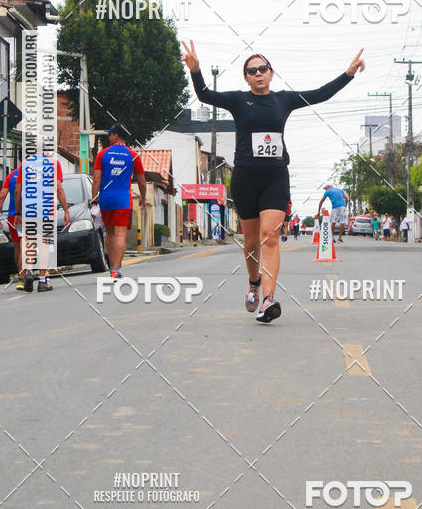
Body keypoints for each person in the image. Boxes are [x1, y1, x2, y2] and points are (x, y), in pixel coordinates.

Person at [182, 40, 365, 323]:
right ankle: (254, 281)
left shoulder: (284, 100)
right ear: (246, 77)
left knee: (270, 236)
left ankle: (269, 299)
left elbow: (320, 94)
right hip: (245, 177)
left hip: (276, 176)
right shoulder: (238, 100)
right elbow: (205, 94)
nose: (258, 73)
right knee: (251, 242)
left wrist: (348, 74)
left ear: (271, 72)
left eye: (263, 69)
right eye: (252, 70)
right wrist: (195, 70)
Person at [92, 123, 147, 281]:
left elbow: (96, 179)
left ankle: (112, 267)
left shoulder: (102, 154)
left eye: (110, 134)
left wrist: (94, 200)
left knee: (109, 233)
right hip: (123, 200)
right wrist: (143, 198)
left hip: (106, 199)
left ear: (116, 135)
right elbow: (142, 182)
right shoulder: (133, 155)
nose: (109, 136)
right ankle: (116, 269)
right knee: (120, 234)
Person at [14, 152, 70, 292]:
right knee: (44, 244)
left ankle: (26, 273)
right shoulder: (53, 163)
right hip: (46, 210)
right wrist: (66, 210)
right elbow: (58, 188)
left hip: (29, 210)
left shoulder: (25, 164)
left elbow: (17, 190)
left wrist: (18, 212)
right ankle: (42, 280)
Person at [0, 157, 22, 288]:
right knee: (29, 244)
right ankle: (28, 273)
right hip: (31, 214)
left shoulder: (12, 175)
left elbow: (1, 196)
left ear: (18, 158)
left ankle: (21, 274)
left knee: (17, 246)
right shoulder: (37, 174)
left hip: (12, 216)